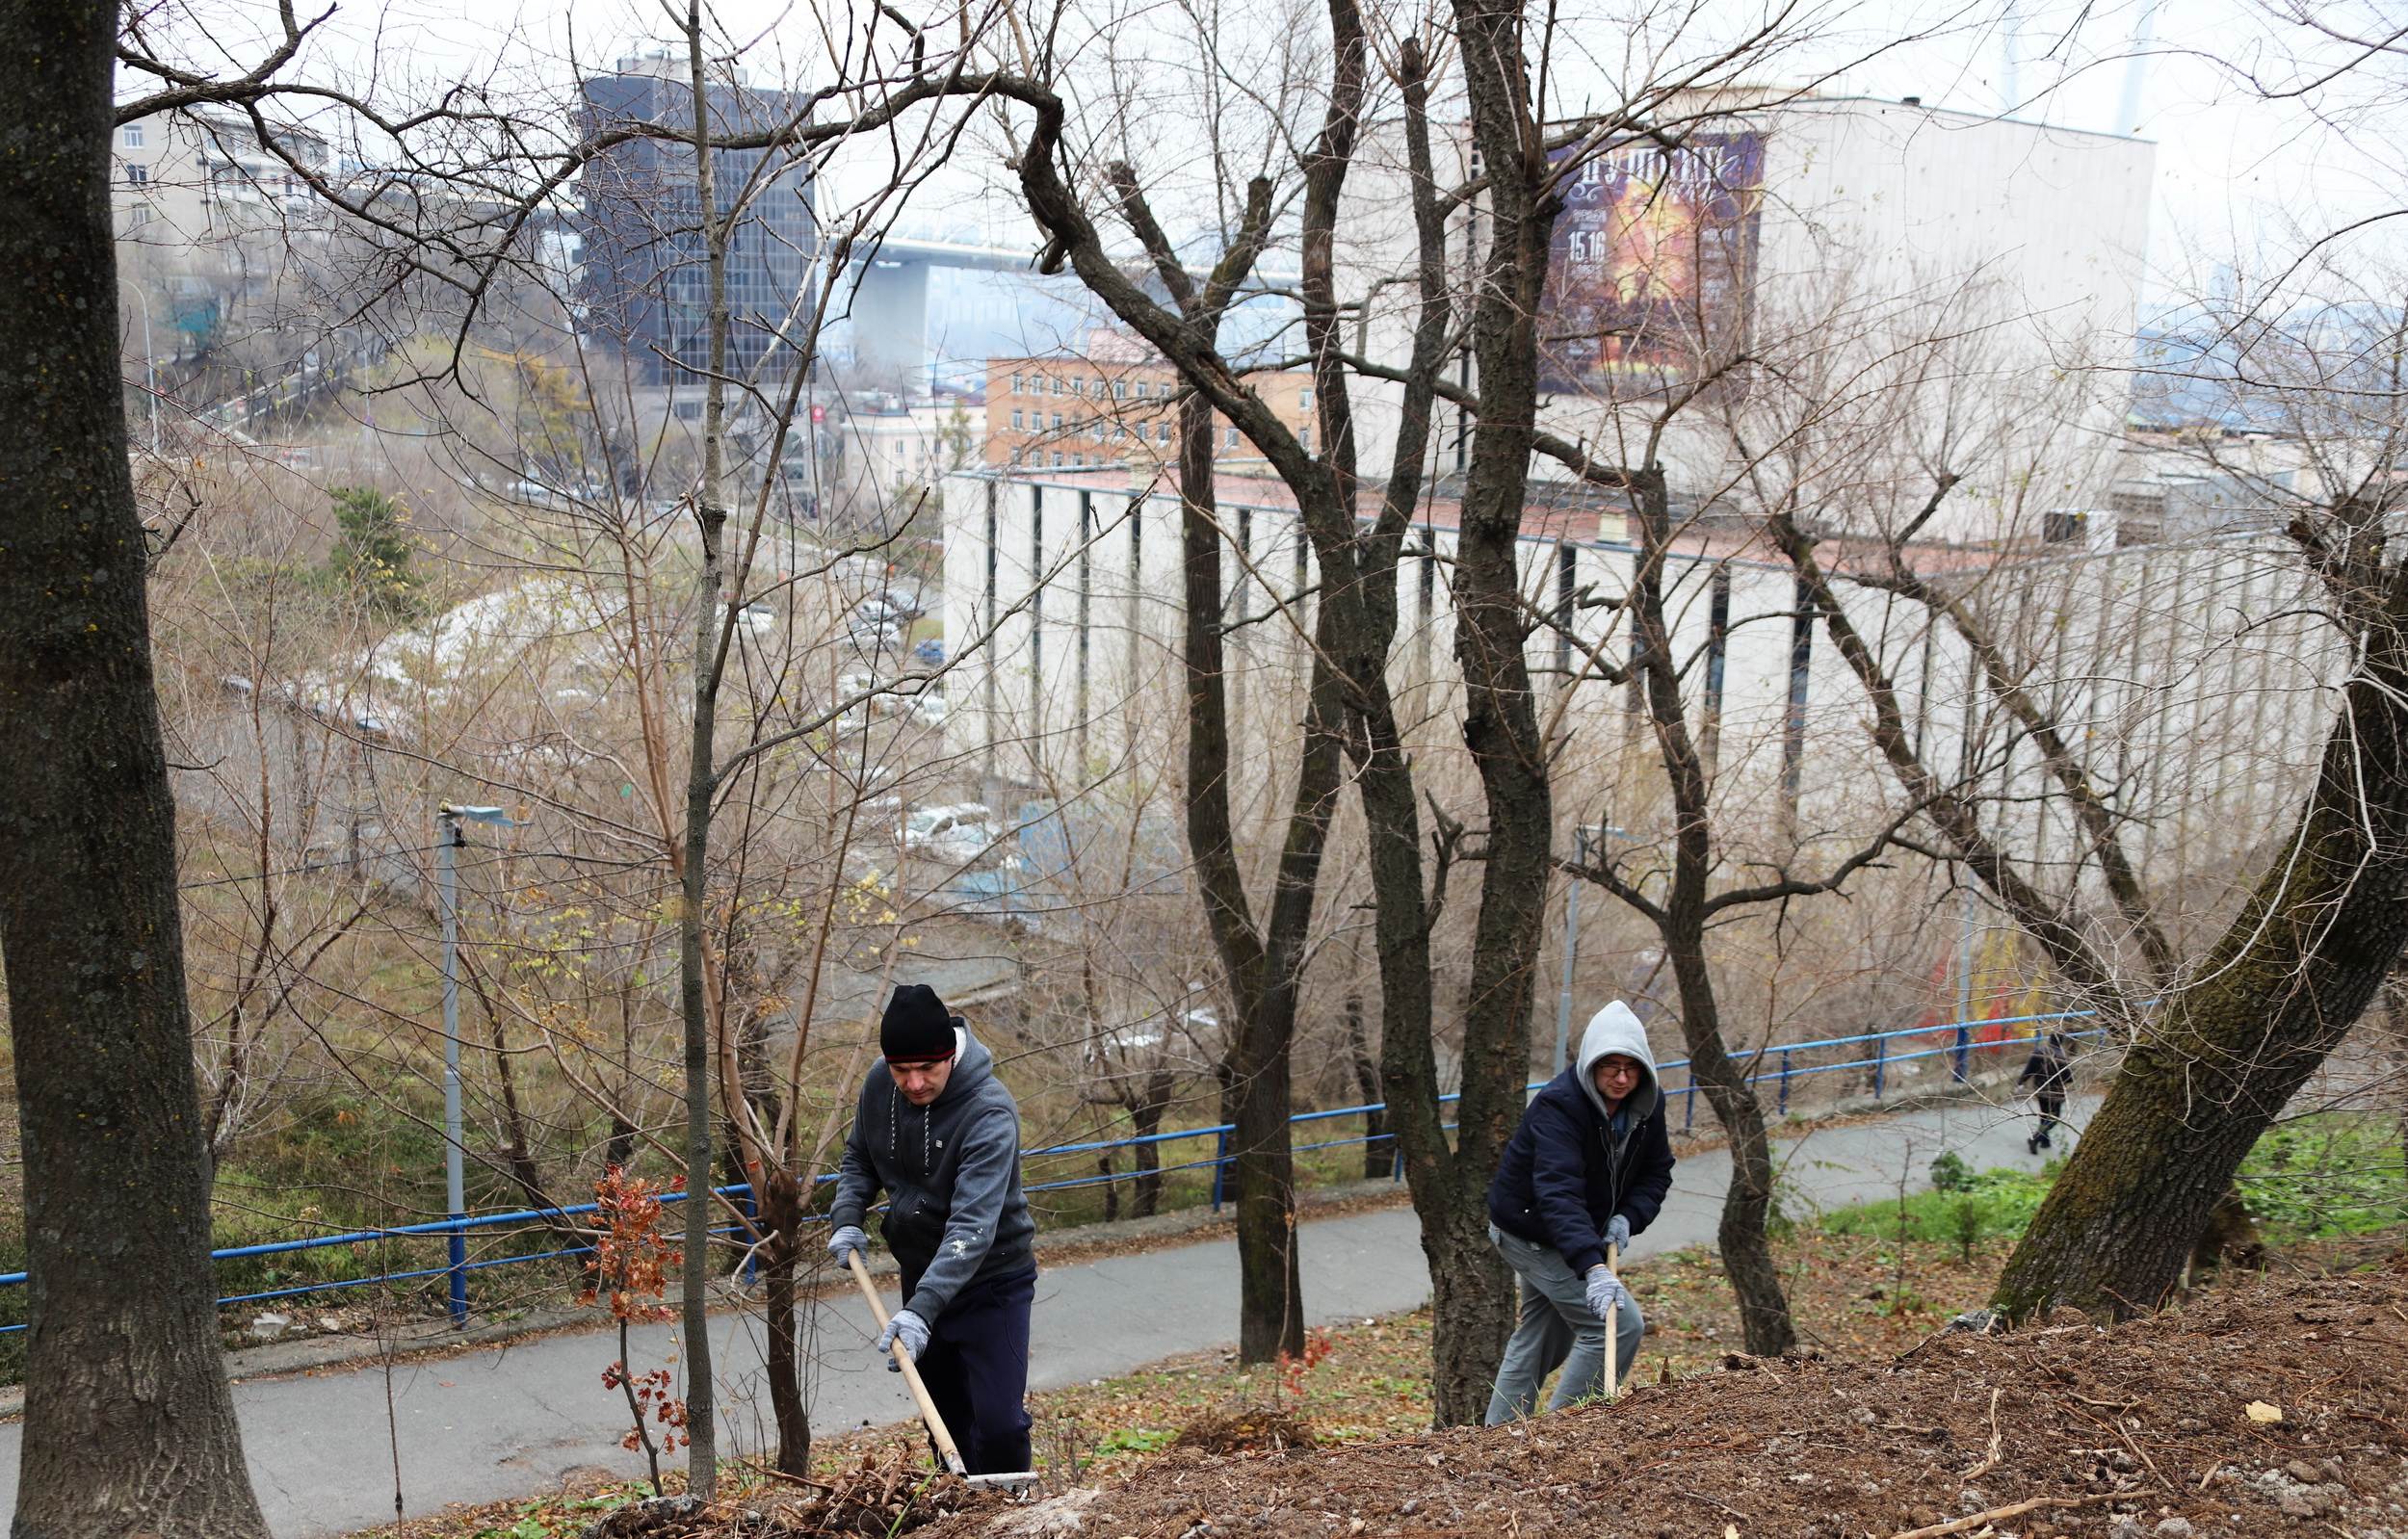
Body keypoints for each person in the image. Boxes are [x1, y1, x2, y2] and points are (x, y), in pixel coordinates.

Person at [827, 983, 1037, 1475]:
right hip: (923, 1275)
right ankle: (960, 1514)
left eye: (928, 1069)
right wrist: (847, 1218)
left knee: (1001, 1425)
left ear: (951, 1056)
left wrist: (919, 1312)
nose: (915, 1083)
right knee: (943, 1421)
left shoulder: (988, 1111)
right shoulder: (881, 1084)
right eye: (903, 1070)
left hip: (992, 1283)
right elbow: (860, 1156)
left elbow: (973, 1225)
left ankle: (1010, 1510)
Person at [1483, 1001, 1675, 1422]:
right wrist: (1592, 1267)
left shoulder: (1647, 1106)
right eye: (1610, 1067)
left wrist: (1628, 1216)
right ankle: (1568, 1433)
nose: (1622, 1078)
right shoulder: (1560, 1107)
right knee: (1617, 1327)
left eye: (1632, 1067)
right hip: (1531, 1233)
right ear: (1590, 1063)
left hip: (1571, 1231)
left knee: (1540, 1335)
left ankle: (1496, 1437)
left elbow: (1657, 1172)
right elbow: (1557, 1192)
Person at [2017, 1030, 2074, 1154]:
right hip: (2055, 1092)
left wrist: (2021, 1083)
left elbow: (2028, 1070)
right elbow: (2068, 1078)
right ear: (2062, 1041)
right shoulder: (2063, 1057)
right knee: (2054, 1118)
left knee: (2044, 1115)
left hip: (2040, 1089)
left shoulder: (2038, 1053)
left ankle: (2045, 1141)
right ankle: (2036, 1138)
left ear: (2050, 1039)